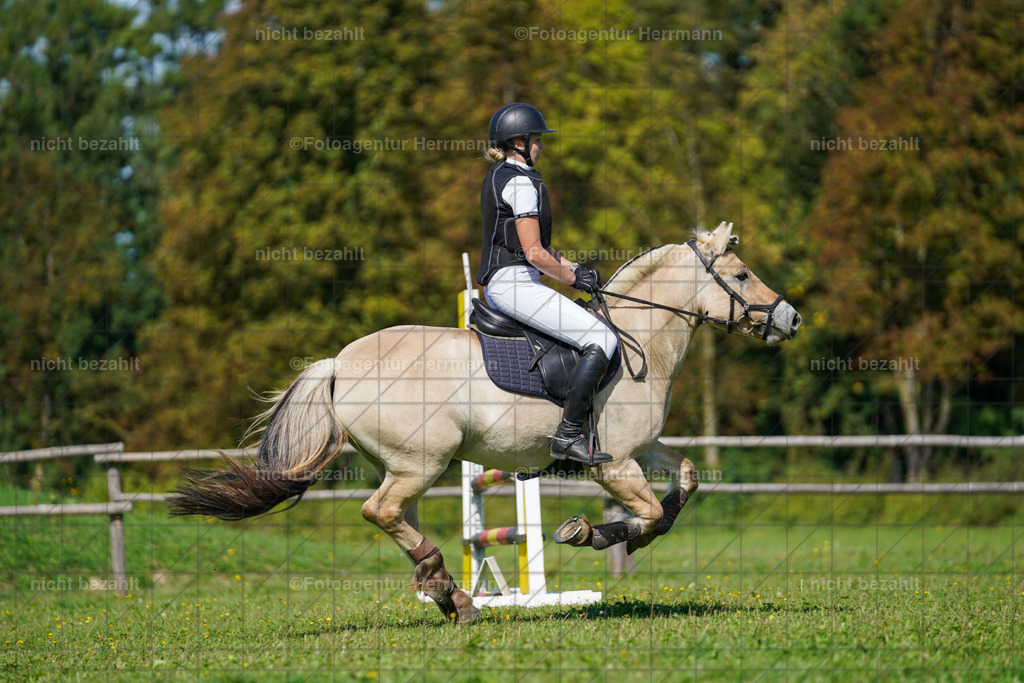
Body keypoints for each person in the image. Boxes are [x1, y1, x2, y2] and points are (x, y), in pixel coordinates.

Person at [477, 103, 618, 467]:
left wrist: (578, 269)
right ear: (519, 142)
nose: (542, 145)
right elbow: (536, 254)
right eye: (537, 139)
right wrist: (572, 279)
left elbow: (537, 249)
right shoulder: (521, 182)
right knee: (602, 339)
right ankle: (567, 436)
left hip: (511, 281)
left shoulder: (500, 175)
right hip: (514, 284)